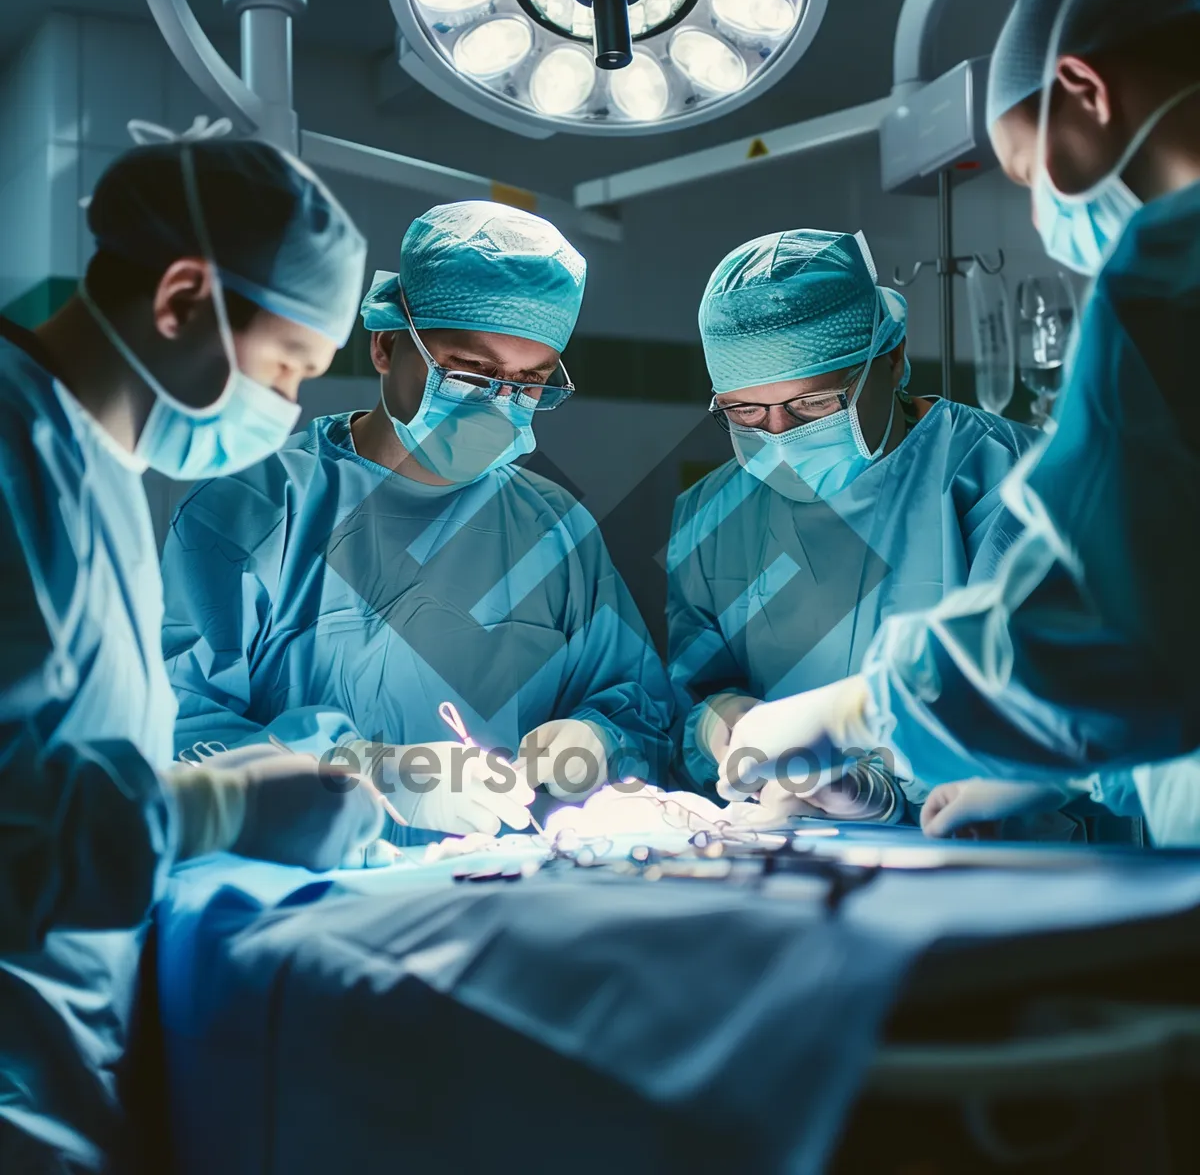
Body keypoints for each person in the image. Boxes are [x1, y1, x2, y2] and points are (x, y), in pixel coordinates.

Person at [712, 0, 1200, 838]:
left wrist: (859, 712)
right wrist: (1070, 764)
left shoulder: (1170, 275)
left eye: (1024, 170)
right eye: (749, 413)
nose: (1041, 211)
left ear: (1085, 91)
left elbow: (1104, 626)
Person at [0, 136, 382, 1171]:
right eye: (286, 368)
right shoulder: (12, 450)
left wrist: (215, 784)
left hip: (61, 1058)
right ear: (180, 300)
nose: (292, 407)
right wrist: (214, 811)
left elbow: (54, 760)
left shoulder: (96, 468)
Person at [162, 200, 676, 841]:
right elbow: (181, 734)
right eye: (471, 373)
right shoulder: (255, 510)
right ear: (385, 346)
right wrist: (365, 775)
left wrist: (595, 740)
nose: (500, 403)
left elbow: (643, 713)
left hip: (500, 892)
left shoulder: (555, 528)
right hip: (308, 897)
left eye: (529, 383)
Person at [667, 228, 1039, 823]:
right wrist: (723, 723)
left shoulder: (1007, 478)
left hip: (1001, 867)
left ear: (890, 360)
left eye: (813, 405)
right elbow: (693, 696)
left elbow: (1062, 698)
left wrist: (883, 789)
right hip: (798, 865)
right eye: (744, 412)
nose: (779, 436)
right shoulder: (710, 515)